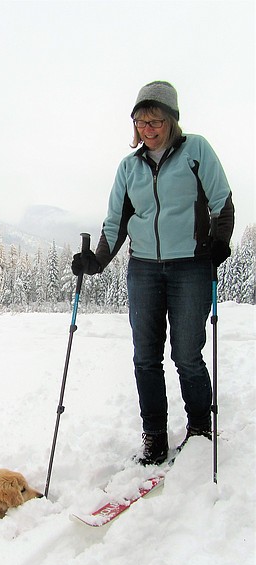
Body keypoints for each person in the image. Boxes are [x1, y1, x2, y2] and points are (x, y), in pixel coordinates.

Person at [72, 81, 234, 465]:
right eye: (141, 122)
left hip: (191, 265)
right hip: (143, 268)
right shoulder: (129, 168)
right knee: (145, 357)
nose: (148, 129)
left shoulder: (196, 151)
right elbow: (116, 222)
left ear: (171, 120)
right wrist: (97, 260)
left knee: (187, 354)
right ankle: (155, 436)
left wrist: (219, 242)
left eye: (156, 121)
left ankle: (199, 429)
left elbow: (222, 202)